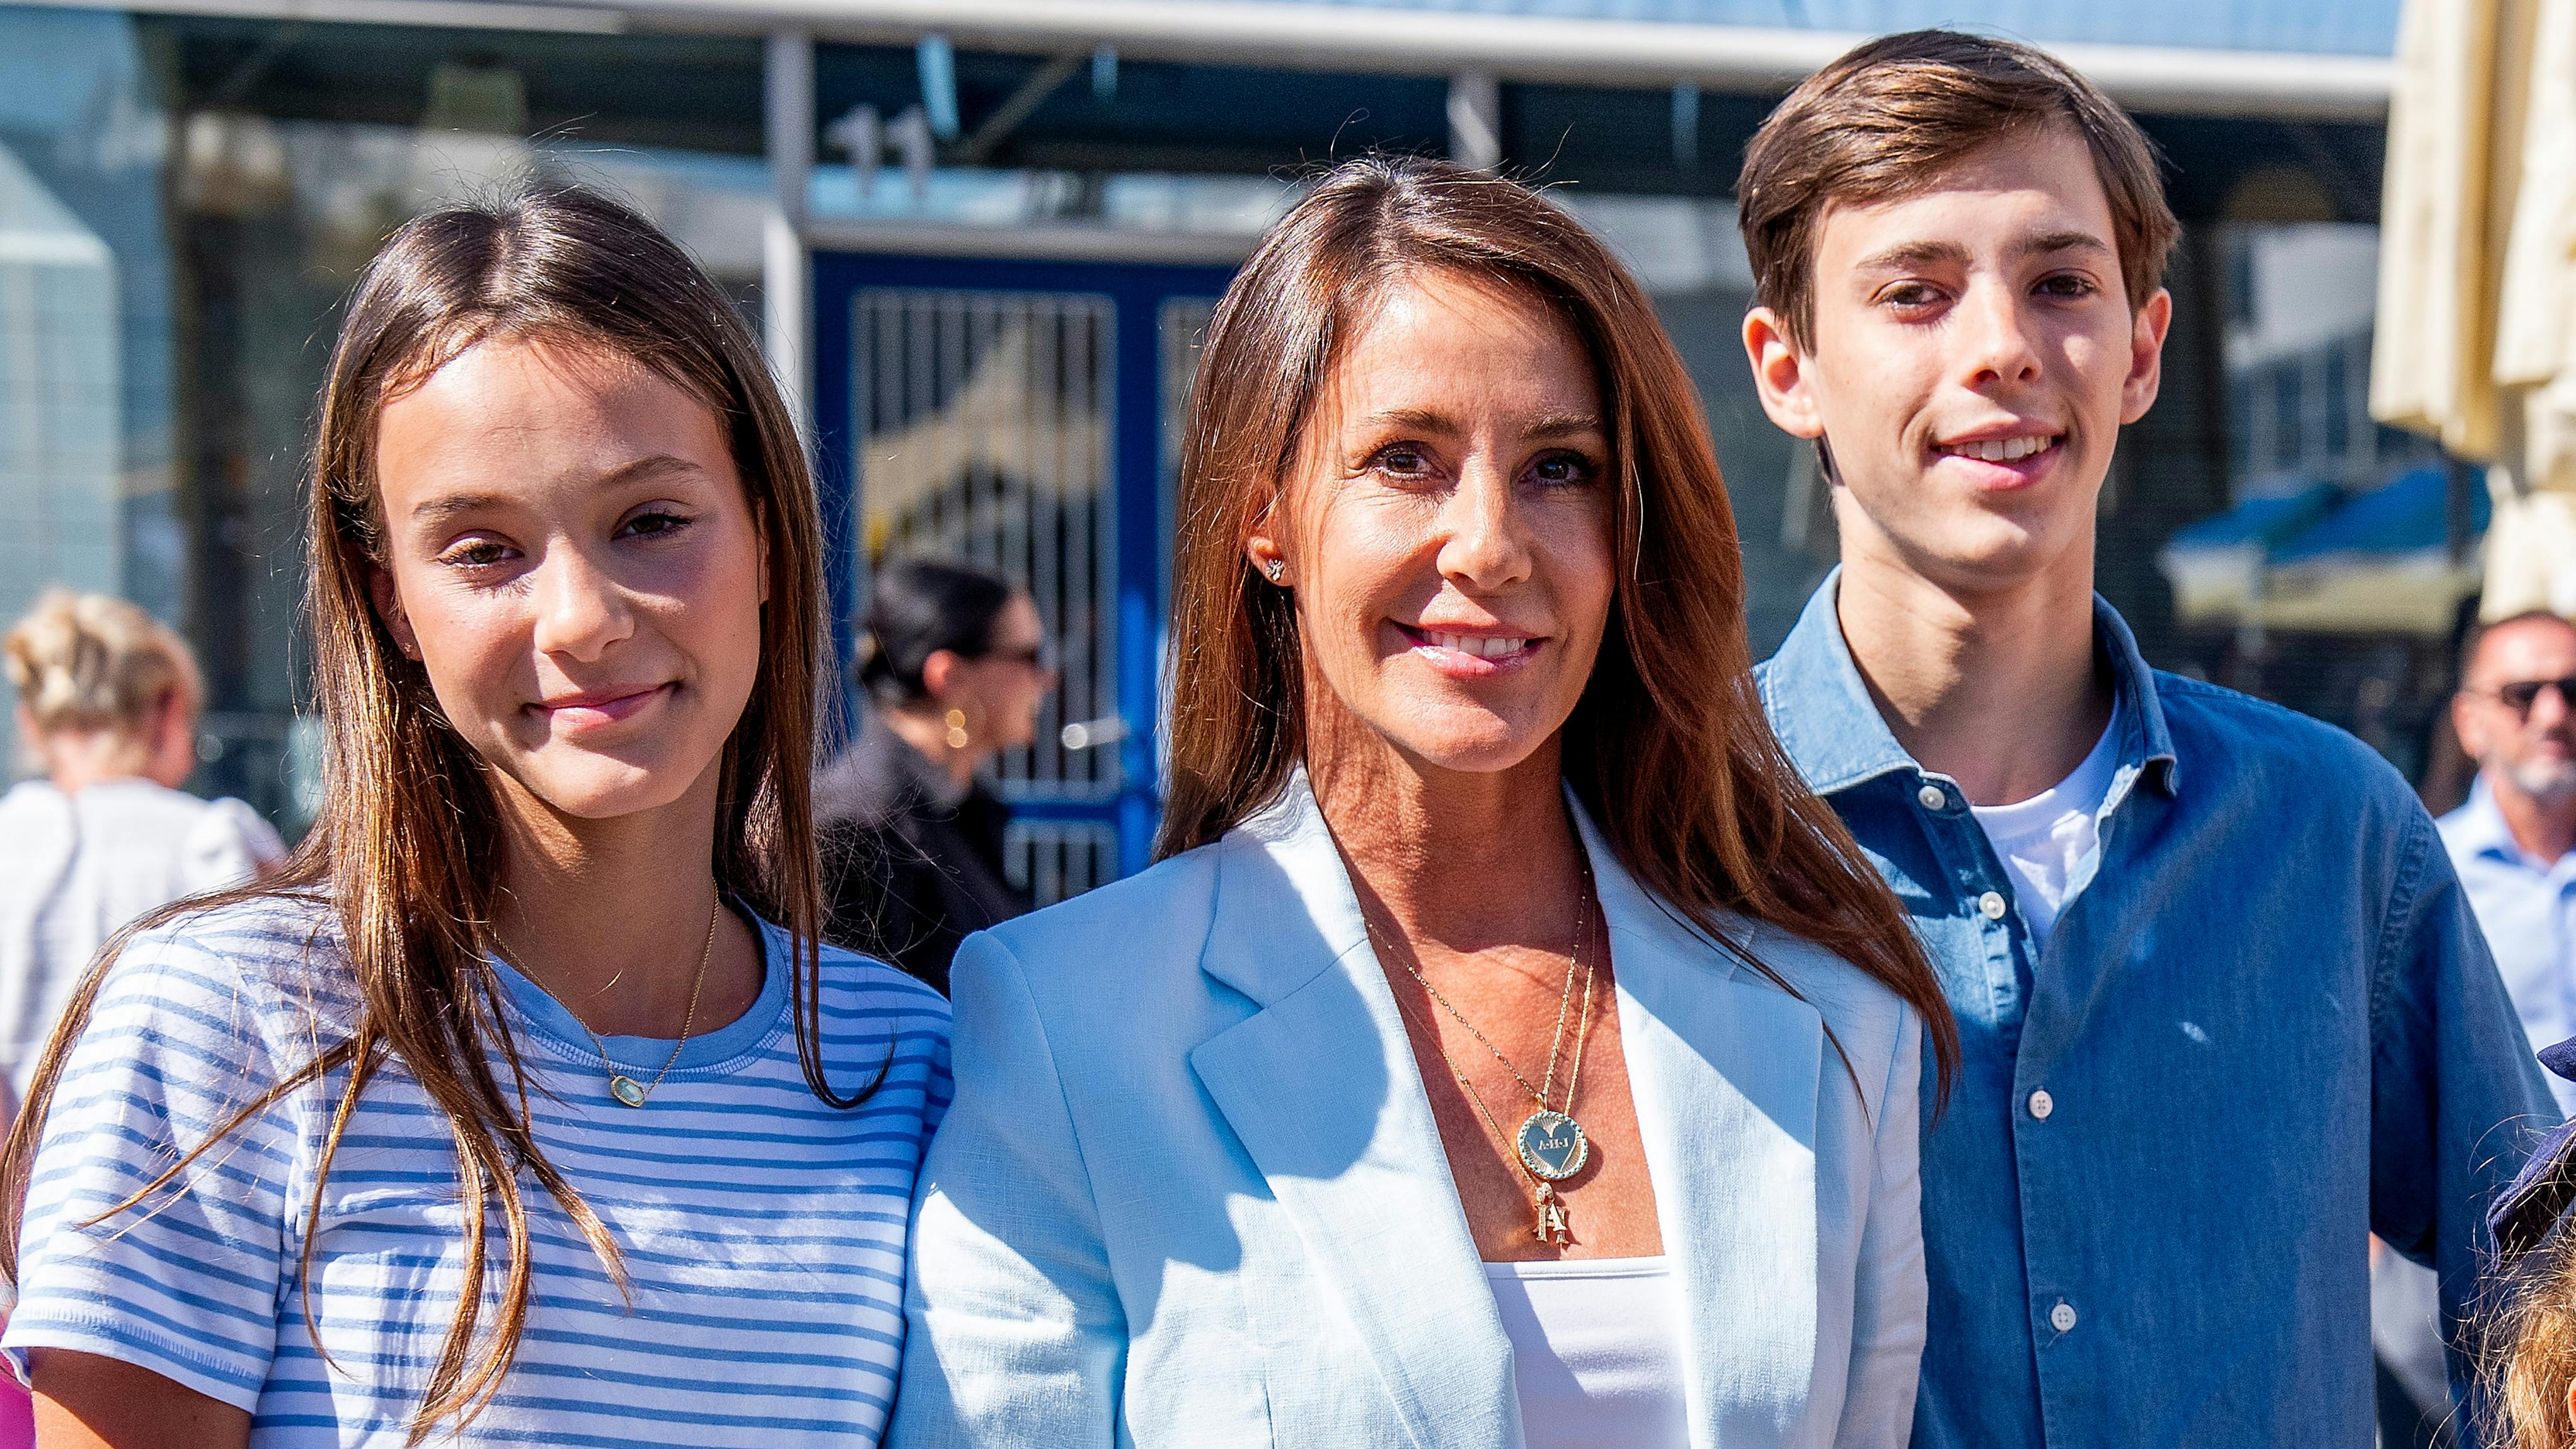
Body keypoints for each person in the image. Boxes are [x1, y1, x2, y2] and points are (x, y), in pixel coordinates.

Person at [890, 156, 1958, 1448]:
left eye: (1559, 467)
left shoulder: (1831, 1012)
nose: (1490, 544)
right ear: (1266, 517)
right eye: (1405, 458)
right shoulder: (1070, 1021)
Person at [0, 185, 949, 1448]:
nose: (581, 617)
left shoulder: (917, 1067)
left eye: (651, 521)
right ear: (392, 602)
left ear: (769, 540)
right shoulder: (227, 1025)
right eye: (484, 550)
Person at [1736, 30, 2550, 1448]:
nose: (1999, 347)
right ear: (1786, 366)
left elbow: (2538, 1294)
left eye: (2058, 284)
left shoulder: (2334, 833)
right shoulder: (1668, 828)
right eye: (1913, 294)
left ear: (2141, 350)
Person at [0, 591, 284, 1100]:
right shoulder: (215, 839)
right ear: (170, 707)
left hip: (23, 1167)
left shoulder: (11, 837)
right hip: (175, 1167)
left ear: (31, 724)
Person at [818, 558, 1045, 993]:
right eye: (1029, 657)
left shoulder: (962, 805)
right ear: (950, 675)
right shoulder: (856, 829)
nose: (1046, 679)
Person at [2443, 610, 2576, 1112]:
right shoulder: (2430, 875)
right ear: (2469, 722)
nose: (2553, 714)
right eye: (2522, 694)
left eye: (2573, 689)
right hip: (2491, 1186)